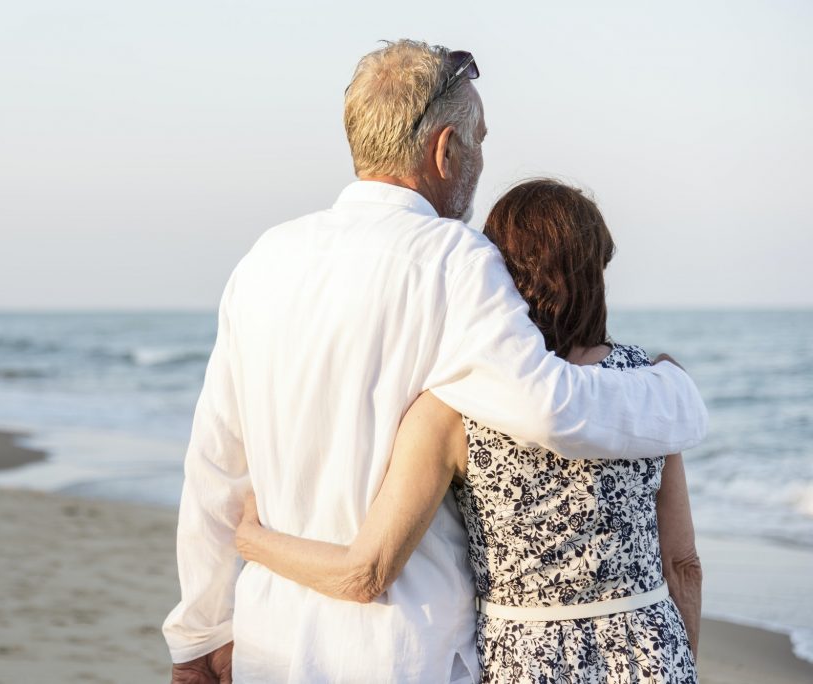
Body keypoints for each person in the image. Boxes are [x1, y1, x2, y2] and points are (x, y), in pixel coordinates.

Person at [162, 40, 708, 683]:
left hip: (273, 641)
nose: (481, 158)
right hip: (404, 648)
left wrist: (199, 633)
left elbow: (216, 462)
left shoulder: (263, 261)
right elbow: (549, 406)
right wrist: (676, 396)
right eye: (479, 139)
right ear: (446, 149)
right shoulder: (454, 260)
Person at [235, 179, 703, 683]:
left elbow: (365, 572)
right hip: (653, 653)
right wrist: (678, 662)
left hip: (527, 663)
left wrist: (252, 540)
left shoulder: (453, 408)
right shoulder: (650, 389)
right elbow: (683, 565)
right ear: (594, 275)